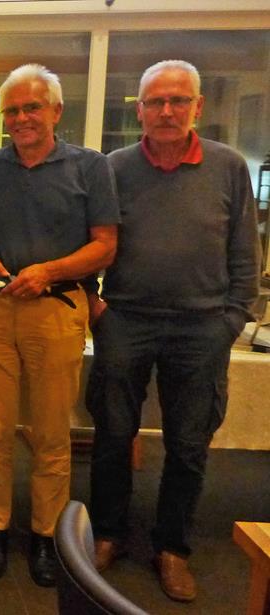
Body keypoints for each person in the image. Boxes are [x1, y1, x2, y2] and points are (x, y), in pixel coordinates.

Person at [86, 60, 259, 603]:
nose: (166, 111)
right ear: (138, 110)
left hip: (202, 327)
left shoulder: (228, 167)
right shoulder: (113, 167)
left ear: (197, 107)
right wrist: (95, 305)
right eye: (155, 101)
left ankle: (173, 548)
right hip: (126, 320)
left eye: (178, 100)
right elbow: (90, 239)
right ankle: (108, 533)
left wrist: (232, 319)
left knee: (188, 445)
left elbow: (245, 254)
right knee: (113, 435)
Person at [0, 64, 119, 587]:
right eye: (11, 110)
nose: (21, 118)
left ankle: (46, 534)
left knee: (51, 433)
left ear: (56, 111)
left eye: (32, 107)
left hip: (57, 308)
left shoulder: (90, 166)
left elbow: (105, 245)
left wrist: (48, 272)